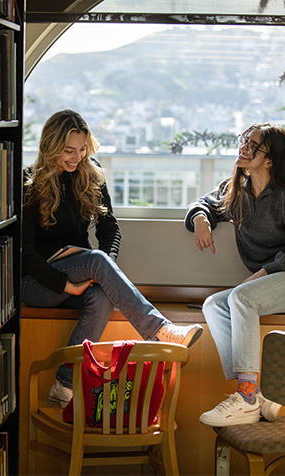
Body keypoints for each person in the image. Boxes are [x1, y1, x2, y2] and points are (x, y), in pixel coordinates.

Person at [23, 109, 203, 408]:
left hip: (81, 271)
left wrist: (103, 268)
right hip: (38, 283)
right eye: (68, 151)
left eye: (82, 150)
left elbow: (110, 229)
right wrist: (68, 285)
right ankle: (159, 332)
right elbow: (25, 253)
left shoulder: (90, 173)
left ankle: (63, 385)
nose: (76, 157)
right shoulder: (28, 182)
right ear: (50, 146)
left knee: (102, 295)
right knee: (95, 260)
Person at [184, 123, 285, 427]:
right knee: (214, 304)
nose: (243, 148)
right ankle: (256, 394)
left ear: (270, 160)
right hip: (273, 280)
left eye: (253, 145)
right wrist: (200, 218)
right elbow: (205, 203)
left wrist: (265, 271)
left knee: (241, 297)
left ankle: (246, 397)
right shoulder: (238, 190)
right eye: (244, 141)